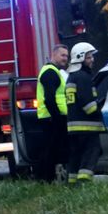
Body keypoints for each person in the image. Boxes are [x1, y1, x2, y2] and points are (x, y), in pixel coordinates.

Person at [64, 42, 105, 183]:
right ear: (80, 58)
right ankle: (84, 182)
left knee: (76, 156)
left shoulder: (72, 77)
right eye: (89, 57)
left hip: (73, 127)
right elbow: (89, 105)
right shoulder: (83, 77)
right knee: (91, 153)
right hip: (87, 126)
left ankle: (72, 182)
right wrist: (99, 109)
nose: (92, 60)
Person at [35, 44, 69, 182]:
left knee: (52, 149)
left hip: (51, 116)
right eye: (62, 55)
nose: (65, 59)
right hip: (51, 117)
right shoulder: (50, 72)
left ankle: (46, 178)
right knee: (50, 150)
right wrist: (57, 118)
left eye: (67, 56)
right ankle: (45, 178)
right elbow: (49, 99)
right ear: (54, 55)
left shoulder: (53, 71)